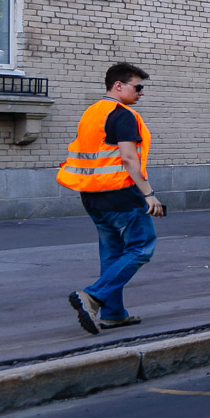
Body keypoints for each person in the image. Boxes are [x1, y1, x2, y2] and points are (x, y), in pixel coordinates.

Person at [57, 62, 165, 335]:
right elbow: (129, 158)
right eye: (137, 87)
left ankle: (114, 314)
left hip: (92, 194)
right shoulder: (122, 115)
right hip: (121, 194)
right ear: (119, 86)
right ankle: (93, 296)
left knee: (113, 253)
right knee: (142, 247)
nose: (141, 93)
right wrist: (149, 194)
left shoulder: (91, 113)